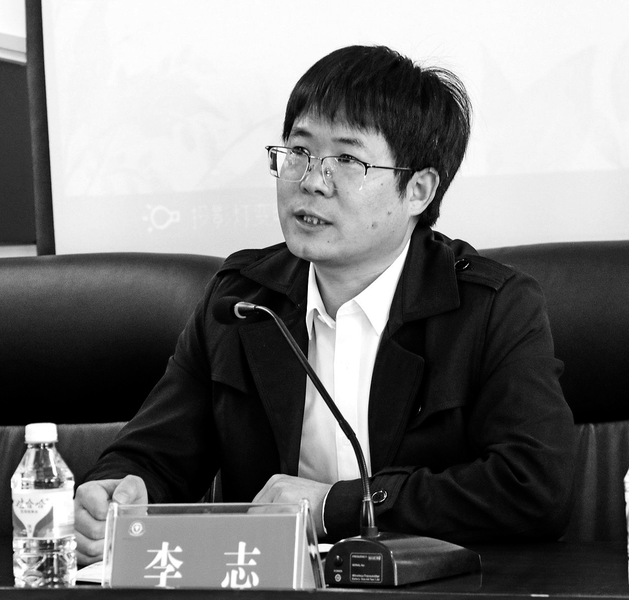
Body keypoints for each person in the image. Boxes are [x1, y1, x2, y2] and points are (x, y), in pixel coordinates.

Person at [75, 44, 575, 565]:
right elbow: (155, 456)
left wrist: (336, 507)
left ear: (419, 190)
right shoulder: (241, 302)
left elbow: (535, 488)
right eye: (299, 152)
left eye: (347, 159)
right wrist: (117, 490)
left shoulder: (491, 308)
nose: (312, 180)